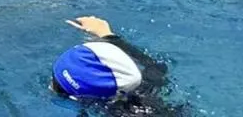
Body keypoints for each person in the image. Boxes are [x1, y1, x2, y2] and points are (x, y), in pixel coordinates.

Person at [51, 16, 186, 115]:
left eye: (59, 87)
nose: (50, 85)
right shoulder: (143, 84)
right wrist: (107, 35)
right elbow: (157, 67)